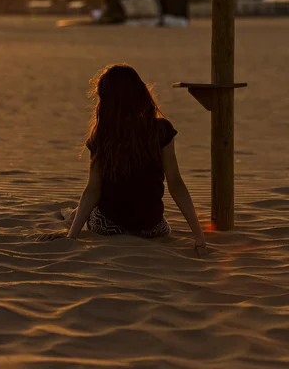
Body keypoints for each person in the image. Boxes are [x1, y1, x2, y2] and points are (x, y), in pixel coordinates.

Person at [37, 64, 207, 256]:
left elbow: (93, 190)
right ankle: (75, 213)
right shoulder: (161, 130)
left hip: (109, 227)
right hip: (152, 230)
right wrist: (199, 238)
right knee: (152, 219)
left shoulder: (102, 135)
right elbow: (176, 184)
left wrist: (71, 237)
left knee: (88, 211)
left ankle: (74, 215)